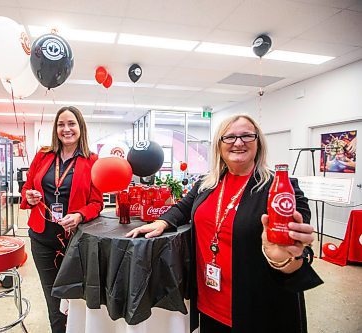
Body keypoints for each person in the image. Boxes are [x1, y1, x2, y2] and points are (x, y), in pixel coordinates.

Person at [126, 114, 323, 333]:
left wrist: (284, 258)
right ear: (219, 146)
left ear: (258, 142)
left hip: (258, 309)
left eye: (247, 136)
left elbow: (296, 245)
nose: (238, 143)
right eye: (229, 137)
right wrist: (163, 222)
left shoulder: (280, 188)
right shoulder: (207, 183)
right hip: (209, 302)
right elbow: (183, 208)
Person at [20, 106, 103, 333]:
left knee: (77, 297)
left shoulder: (92, 161)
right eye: (61, 124)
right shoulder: (43, 156)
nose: (66, 129)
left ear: (80, 127)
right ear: (56, 129)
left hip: (76, 241)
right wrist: (30, 195)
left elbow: (97, 203)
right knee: (53, 299)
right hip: (42, 238)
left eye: (71, 124)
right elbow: (27, 188)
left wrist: (79, 215)